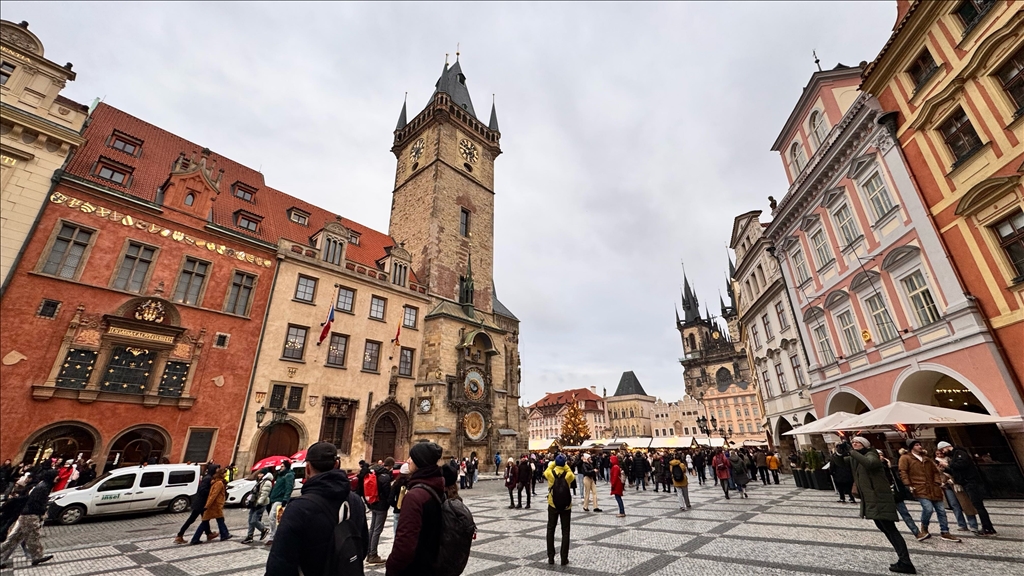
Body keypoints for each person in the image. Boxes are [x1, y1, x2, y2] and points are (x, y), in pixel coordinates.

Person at [266, 442, 368, 576]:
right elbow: (362, 546)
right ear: (336, 465)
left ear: (307, 468)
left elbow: (279, 564)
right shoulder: (356, 501)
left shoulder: (298, 508)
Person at [849, 437, 915, 574]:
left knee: (890, 529)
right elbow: (842, 462)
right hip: (873, 500)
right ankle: (903, 560)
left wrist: (851, 451)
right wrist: (839, 453)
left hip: (880, 499)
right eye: (853, 442)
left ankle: (906, 562)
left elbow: (870, 464)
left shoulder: (871, 454)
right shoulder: (858, 457)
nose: (854, 444)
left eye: (858, 442)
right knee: (885, 528)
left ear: (865, 444)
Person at [385, 442, 445, 576]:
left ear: (420, 461)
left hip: (414, 568)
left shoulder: (415, 496)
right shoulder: (437, 488)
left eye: (411, 457)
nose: (408, 461)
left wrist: (391, 567)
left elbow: (405, 544)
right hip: (431, 564)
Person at [899, 439, 960, 543]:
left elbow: (935, 471)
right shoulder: (905, 458)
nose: (919, 446)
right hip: (920, 487)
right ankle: (924, 528)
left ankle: (945, 532)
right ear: (912, 447)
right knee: (928, 508)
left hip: (934, 487)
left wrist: (937, 481)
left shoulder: (926, 458)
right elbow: (903, 472)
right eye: (917, 445)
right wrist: (908, 484)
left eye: (919, 444)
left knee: (941, 511)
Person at [0, 469, 56, 568]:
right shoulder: (43, 487)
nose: (58, 477)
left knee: (14, 538)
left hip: (26, 514)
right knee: (32, 536)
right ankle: (36, 557)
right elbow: (35, 502)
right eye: (57, 475)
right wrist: (42, 511)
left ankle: (35, 557)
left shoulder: (42, 485)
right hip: (30, 515)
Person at [945, 441, 997, 536]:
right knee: (977, 505)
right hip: (967, 482)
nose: (943, 452)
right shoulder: (955, 455)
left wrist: (948, 465)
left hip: (971, 482)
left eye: (942, 449)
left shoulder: (960, 453)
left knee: (978, 506)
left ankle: (988, 528)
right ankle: (987, 527)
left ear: (947, 447)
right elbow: (957, 471)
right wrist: (945, 469)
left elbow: (962, 465)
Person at [934, 442, 977, 533]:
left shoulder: (951, 458)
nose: (940, 454)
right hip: (946, 486)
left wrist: (950, 476)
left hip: (956, 483)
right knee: (954, 505)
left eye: (941, 452)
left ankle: (973, 524)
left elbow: (957, 469)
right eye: (938, 453)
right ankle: (961, 524)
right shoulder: (936, 463)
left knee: (965, 503)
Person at [543, 454, 575, 566]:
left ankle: (551, 557)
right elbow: (571, 472)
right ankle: (564, 558)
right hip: (566, 506)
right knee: (565, 531)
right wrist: (565, 466)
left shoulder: (550, 474)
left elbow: (546, 470)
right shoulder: (569, 475)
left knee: (551, 529)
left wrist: (553, 464)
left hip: (553, 505)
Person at [880, 451, 921, 539]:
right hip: (885, 497)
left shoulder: (889, 468)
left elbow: (896, 481)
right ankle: (892, 534)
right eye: (879, 455)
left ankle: (917, 532)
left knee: (905, 514)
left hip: (896, 494)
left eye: (882, 455)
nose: (881, 457)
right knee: (888, 517)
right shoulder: (875, 469)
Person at [175, 463, 218, 544]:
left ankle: (208, 533)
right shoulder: (208, 479)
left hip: (201, 503)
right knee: (193, 519)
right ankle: (180, 535)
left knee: (205, 519)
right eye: (216, 469)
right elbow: (202, 490)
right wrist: (212, 491)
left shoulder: (209, 478)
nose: (217, 470)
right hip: (200, 503)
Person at [190, 468, 231, 544]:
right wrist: (207, 506)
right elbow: (213, 495)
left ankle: (224, 534)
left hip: (213, 505)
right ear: (221, 474)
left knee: (219, 520)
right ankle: (195, 539)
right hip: (215, 506)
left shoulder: (215, 482)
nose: (226, 474)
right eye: (225, 473)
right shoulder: (219, 483)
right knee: (206, 522)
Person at [366, 457, 394, 565]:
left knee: (372, 529)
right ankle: (373, 555)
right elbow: (387, 493)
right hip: (381, 506)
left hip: (373, 503)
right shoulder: (385, 477)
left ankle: (369, 553)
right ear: (391, 465)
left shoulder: (376, 474)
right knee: (377, 530)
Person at [266, 460, 295, 547]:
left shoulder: (288, 475)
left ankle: (273, 536)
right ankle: (279, 535)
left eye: (282, 466)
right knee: (279, 518)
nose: (280, 468)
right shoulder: (280, 475)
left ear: (286, 467)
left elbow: (289, 488)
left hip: (280, 499)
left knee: (273, 517)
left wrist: (285, 499)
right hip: (274, 498)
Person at [242, 468, 273, 543]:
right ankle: (249, 536)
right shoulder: (260, 481)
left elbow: (264, 494)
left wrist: (259, 503)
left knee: (254, 521)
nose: (259, 475)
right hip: (254, 503)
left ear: (264, 474)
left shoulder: (267, 482)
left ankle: (264, 529)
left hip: (260, 504)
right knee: (250, 520)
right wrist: (249, 500)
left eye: (260, 474)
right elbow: (253, 492)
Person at [390, 463, 411, 537]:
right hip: (408, 511)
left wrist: (396, 504)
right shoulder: (411, 483)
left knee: (396, 534)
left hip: (397, 510)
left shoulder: (396, 483)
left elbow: (390, 498)